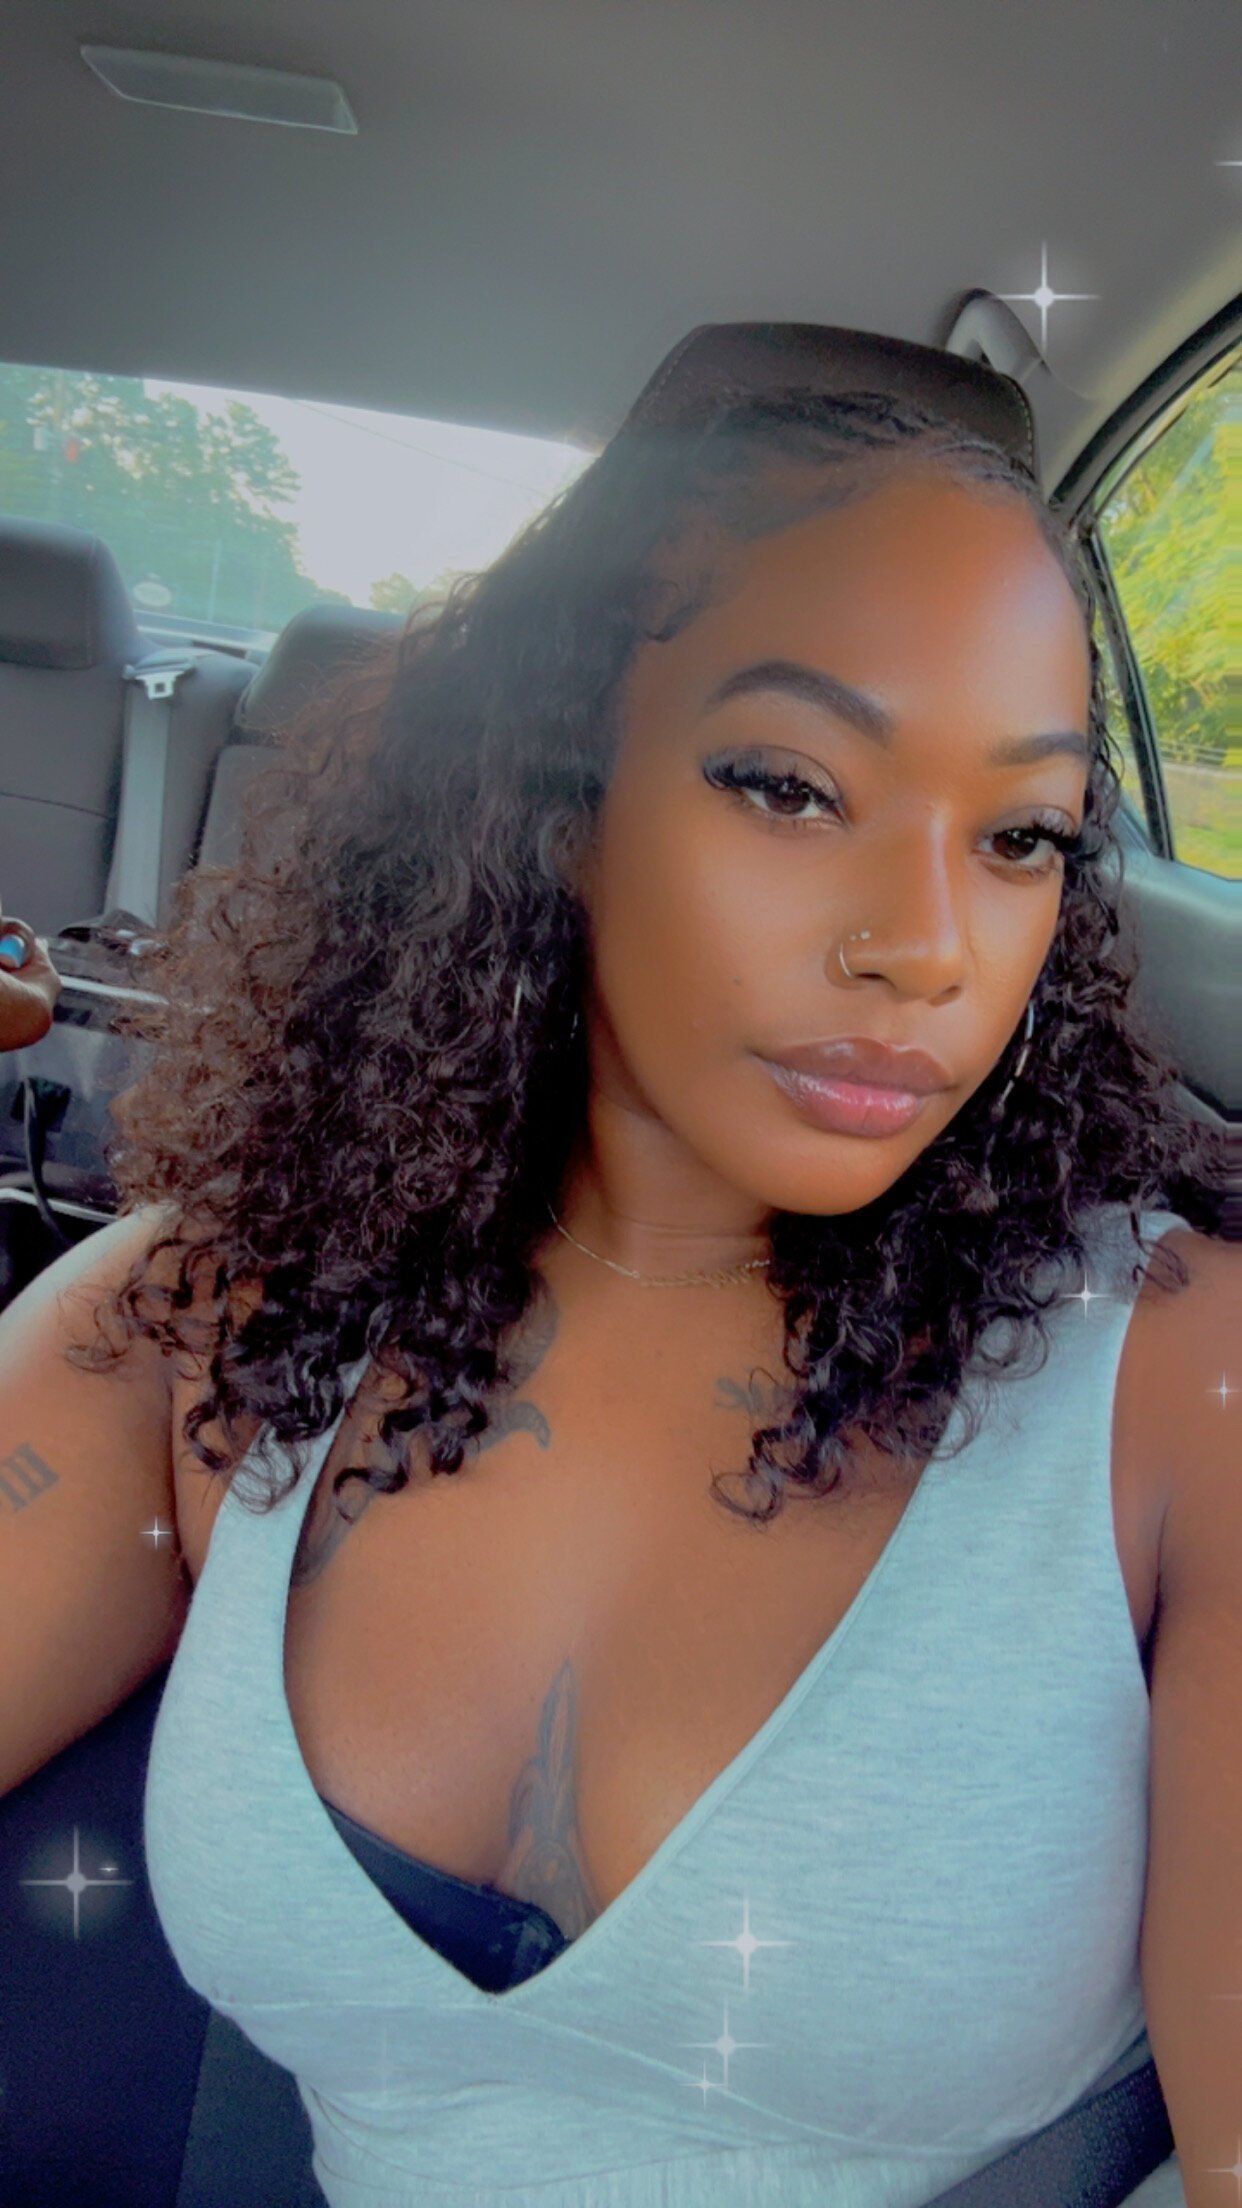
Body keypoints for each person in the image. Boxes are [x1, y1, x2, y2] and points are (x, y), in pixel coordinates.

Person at [1, 384, 1228, 2207]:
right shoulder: (215, 1312)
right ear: (554, 794)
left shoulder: (1179, 1383)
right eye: (789, 786)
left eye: (1021, 834)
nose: (925, 945)